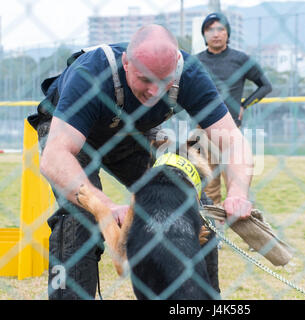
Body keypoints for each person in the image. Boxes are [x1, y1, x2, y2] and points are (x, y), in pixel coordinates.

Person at [34, 24, 254, 299]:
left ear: (176, 65)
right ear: (126, 63)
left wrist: (237, 192)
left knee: (192, 211)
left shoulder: (190, 73)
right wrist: (103, 205)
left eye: (164, 81)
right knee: (80, 217)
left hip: (131, 134)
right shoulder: (91, 73)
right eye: (145, 79)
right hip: (67, 135)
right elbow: (55, 155)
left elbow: (232, 141)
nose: (154, 92)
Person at [196, 12, 272, 209]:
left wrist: (244, 105)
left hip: (230, 131)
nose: (216, 34)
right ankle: (212, 232)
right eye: (210, 29)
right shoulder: (195, 62)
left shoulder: (240, 59)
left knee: (236, 184)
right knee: (206, 186)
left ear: (228, 34)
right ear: (204, 34)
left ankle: (237, 218)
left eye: (220, 29)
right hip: (202, 130)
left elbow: (265, 86)